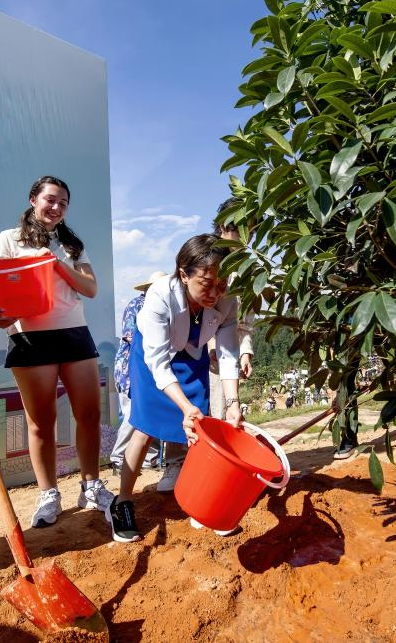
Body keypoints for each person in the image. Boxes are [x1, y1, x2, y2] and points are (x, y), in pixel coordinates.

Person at [0, 175, 114, 528]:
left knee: (89, 415)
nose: (56, 207)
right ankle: (48, 494)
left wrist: (56, 263)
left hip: (74, 334)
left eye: (63, 203)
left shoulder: (71, 244)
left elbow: (90, 288)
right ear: (33, 200)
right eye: (50, 200)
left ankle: (91, 486)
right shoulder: (8, 239)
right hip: (29, 338)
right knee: (41, 423)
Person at [105, 234, 242, 542]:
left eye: (221, 284)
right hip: (152, 358)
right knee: (144, 428)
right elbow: (157, 362)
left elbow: (228, 353)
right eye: (206, 284)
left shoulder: (228, 299)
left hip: (192, 355)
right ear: (183, 274)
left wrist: (233, 403)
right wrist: (184, 407)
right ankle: (122, 501)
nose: (215, 293)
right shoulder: (159, 296)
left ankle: (202, 502)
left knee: (199, 428)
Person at [156, 199, 255, 493]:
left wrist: (245, 348)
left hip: (226, 347)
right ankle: (176, 462)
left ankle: (220, 467)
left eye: (251, 230)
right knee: (188, 405)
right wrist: (208, 341)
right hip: (191, 346)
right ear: (223, 225)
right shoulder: (204, 254)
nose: (245, 236)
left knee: (224, 407)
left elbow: (242, 318)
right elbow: (188, 307)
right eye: (240, 228)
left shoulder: (248, 269)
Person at [109, 271, 168, 472]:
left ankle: (149, 458)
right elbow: (130, 336)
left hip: (149, 368)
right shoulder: (136, 305)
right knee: (132, 414)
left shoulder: (162, 306)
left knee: (150, 411)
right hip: (130, 369)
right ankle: (119, 457)